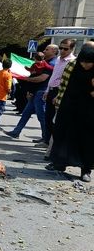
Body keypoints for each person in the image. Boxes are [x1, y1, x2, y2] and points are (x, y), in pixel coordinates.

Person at [46, 42, 94, 182]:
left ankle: (86, 170)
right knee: (63, 136)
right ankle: (59, 163)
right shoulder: (72, 66)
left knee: (87, 141)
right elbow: (64, 86)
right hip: (69, 108)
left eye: (89, 63)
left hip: (88, 112)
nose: (85, 65)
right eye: (83, 62)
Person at [5, 46, 56, 141]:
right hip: (36, 91)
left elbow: (42, 78)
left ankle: (46, 138)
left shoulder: (52, 63)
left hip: (42, 91)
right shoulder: (45, 62)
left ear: (54, 51)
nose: (44, 51)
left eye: (47, 49)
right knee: (26, 113)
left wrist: (26, 79)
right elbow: (33, 72)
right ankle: (16, 131)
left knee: (42, 116)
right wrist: (30, 90)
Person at [43, 40, 74, 146]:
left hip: (59, 93)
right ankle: (46, 141)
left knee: (54, 120)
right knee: (47, 117)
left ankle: (53, 144)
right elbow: (53, 76)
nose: (62, 51)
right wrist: (47, 90)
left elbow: (67, 81)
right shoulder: (58, 60)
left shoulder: (72, 61)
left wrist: (58, 95)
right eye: (61, 48)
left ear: (71, 49)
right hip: (51, 90)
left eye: (66, 49)